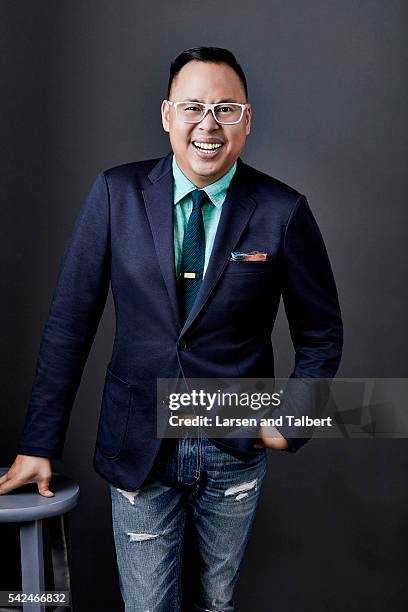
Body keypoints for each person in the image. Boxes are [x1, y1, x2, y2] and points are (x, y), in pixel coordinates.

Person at [0, 47, 343, 610]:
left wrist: (297, 417)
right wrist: (39, 442)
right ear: (167, 115)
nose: (208, 125)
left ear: (247, 119)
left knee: (215, 604)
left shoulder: (283, 210)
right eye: (193, 107)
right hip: (138, 443)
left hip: (234, 442)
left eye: (226, 109)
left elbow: (321, 332)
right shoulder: (115, 194)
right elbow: (69, 324)